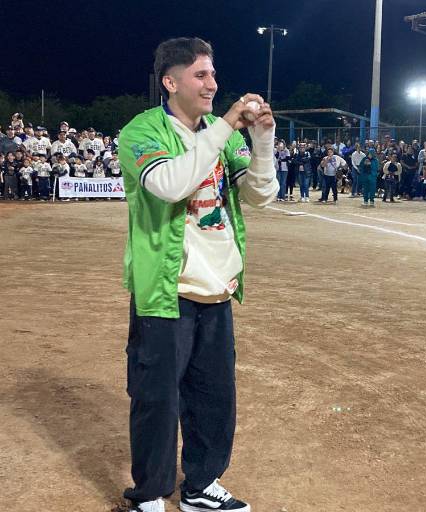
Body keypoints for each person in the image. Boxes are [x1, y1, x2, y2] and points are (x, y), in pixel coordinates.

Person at [118, 37, 279, 512]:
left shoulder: (221, 135)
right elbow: (169, 185)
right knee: (157, 399)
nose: (213, 84)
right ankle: (149, 493)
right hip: (166, 290)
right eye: (201, 75)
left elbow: (259, 196)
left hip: (216, 288)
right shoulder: (142, 132)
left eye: (213, 73)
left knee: (213, 397)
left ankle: (200, 485)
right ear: (171, 82)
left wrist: (262, 140)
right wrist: (228, 123)